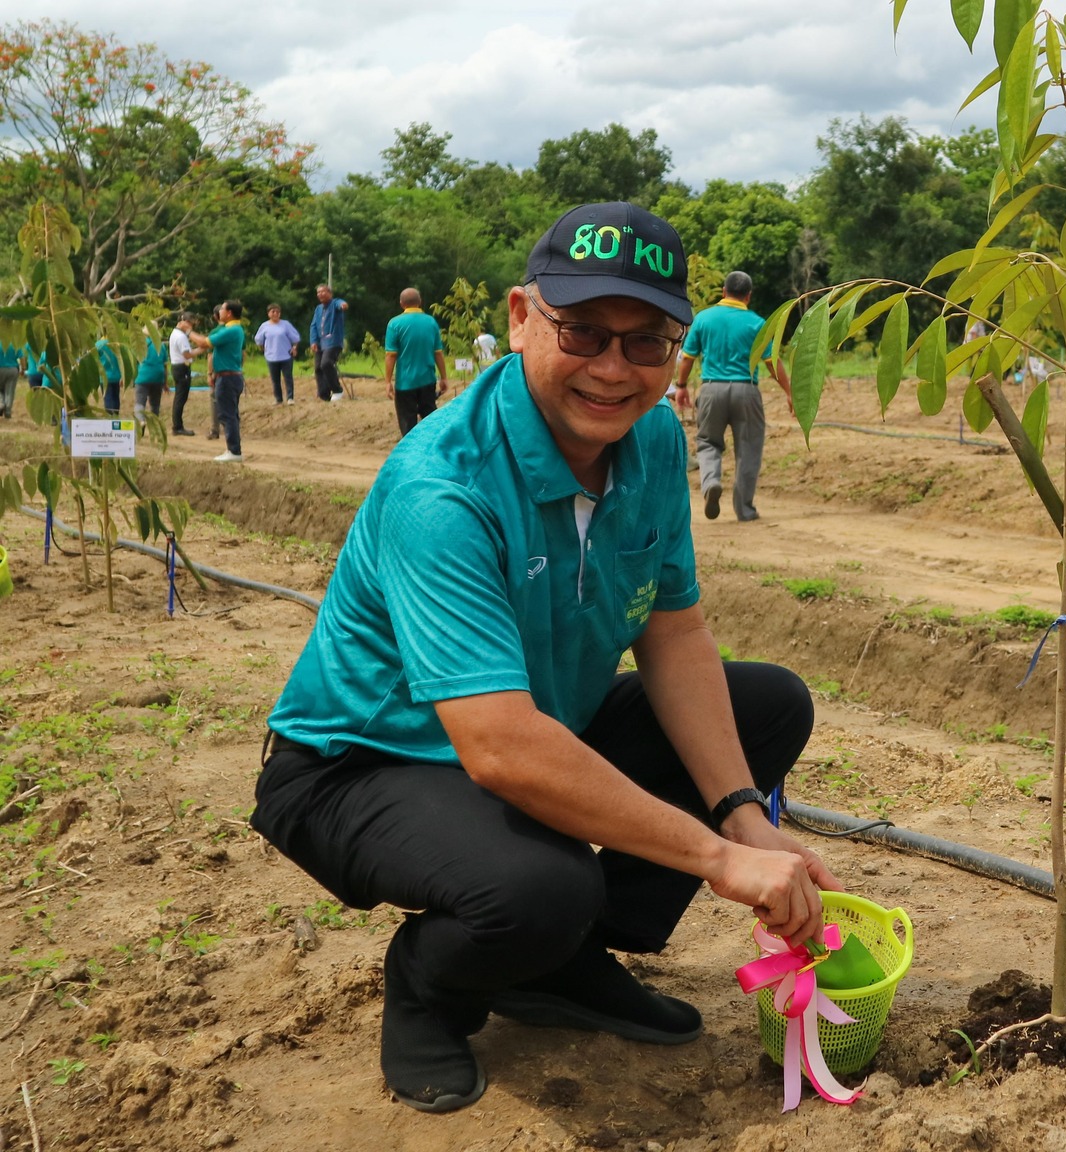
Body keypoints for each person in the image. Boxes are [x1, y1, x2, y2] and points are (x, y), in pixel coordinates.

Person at [252, 201, 833, 1115]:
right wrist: (720, 860)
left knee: (767, 705)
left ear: (678, 352)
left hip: (537, 720)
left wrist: (741, 815)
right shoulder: (442, 488)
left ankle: (558, 961)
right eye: (584, 332)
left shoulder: (647, 440)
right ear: (521, 316)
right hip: (363, 765)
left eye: (646, 342)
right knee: (540, 885)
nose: (613, 369)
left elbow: (674, 632)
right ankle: (430, 986)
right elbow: (500, 749)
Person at [679, 272, 791, 522]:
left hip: (711, 389)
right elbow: (772, 362)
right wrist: (790, 392)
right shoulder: (757, 323)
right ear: (748, 296)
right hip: (746, 391)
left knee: (708, 442)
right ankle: (745, 510)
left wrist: (682, 386)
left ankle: (711, 483)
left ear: (723, 291)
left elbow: (687, 357)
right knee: (748, 449)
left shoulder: (704, 318)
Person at [384, 288, 449, 436]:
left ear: (401, 304)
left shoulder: (395, 324)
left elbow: (391, 355)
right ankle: (432, 449)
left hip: (405, 382)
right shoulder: (431, 322)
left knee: (407, 422)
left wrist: (388, 381)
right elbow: (438, 353)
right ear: (420, 302)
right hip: (427, 380)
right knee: (430, 419)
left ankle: (410, 453)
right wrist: (444, 377)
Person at [190, 300, 249, 463]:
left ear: (229, 313)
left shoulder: (231, 330)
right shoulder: (235, 329)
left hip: (227, 378)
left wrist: (188, 331)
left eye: (222, 309)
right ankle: (233, 449)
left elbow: (203, 342)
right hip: (232, 376)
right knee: (231, 414)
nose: (219, 312)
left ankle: (234, 451)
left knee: (226, 414)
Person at [309, 284, 350, 402]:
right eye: (318, 292)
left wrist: (343, 305)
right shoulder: (318, 309)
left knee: (326, 363)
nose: (320, 294)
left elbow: (341, 303)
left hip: (333, 342)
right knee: (318, 367)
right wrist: (313, 341)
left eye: (323, 291)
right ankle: (324, 395)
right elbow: (313, 326)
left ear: (329, 293)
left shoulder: (335, 303)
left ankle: (337, 390)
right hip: (320, 343)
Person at [256, 304, 302, 405]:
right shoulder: (264, 326)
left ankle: (290, 397)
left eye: (277, 312)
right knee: (275, 379)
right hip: (271, 356)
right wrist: (265, 350)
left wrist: (294, 347)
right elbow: (259, 341)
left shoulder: (285, 324)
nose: (275, 314)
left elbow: (295, 338)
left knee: (288, 377)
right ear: (268, 313)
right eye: (273, 312)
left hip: (286, 355)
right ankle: (278, 399)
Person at [168, 314, 199, 436]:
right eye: (190, 324)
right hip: (182, 367)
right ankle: (177, 426)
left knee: (179, 397)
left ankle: (177, 425)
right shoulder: (180, 336)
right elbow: (187, 354)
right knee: (181, 397)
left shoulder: (176, 334)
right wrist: (200, 349)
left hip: (177, 367)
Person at [132, 331, 168, 416]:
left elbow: (133, 362)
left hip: (142, 376)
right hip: (158, 377)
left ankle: (140, 422)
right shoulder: (161, 346)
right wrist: (165, 383)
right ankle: (154, 423)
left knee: (140, 402)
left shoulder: (140, 345)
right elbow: (165, 366)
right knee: (155, 404)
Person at [94, 334, 125, 412]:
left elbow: (94, 360)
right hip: (117, 376)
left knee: (108, 398)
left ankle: (110, 418)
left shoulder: (98, 345)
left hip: (104, 377)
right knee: (115, 398)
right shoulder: (118, 344)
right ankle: (116, 416)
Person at [0, 340, 20, 420]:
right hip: (12, 370)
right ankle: (7, 411)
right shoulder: (14, 344)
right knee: (9, 391)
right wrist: (23, 368)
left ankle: (1, 404)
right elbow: (22, 357)